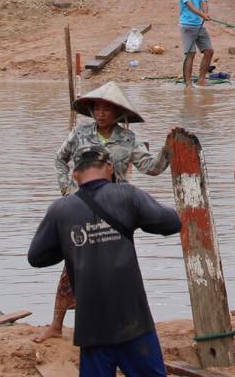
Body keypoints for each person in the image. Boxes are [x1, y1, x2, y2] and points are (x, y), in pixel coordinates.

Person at [35, 83, 172, 344]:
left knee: (116, 268)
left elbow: (152, 168)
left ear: (118, 113)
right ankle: (56, 324)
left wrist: (167, 150)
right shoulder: (79, 134)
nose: (100, 113)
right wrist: (66, 188)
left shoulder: (128, 140)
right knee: (71, 268)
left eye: (106, 109)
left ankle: (121, 324)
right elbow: (59, 159)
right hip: (81, 208)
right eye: (97, 108)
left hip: (115, 212)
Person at [28, 145, 181, 377]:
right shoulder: (127, 195)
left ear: (76, 175)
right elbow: (171, 222)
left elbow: (36, 257)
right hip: (133, 321)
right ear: (109, 168)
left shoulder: (60, 209)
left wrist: (73, 243)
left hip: (91, 327)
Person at [178, 0, 215, 87]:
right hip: (187, 26)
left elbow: (204, 1)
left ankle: (201, 79)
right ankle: (188, 83)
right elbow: (189, 4)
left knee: (209, 51)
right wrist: (201, 14)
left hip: (199, 25)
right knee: (191, 53)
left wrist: (205, 13)